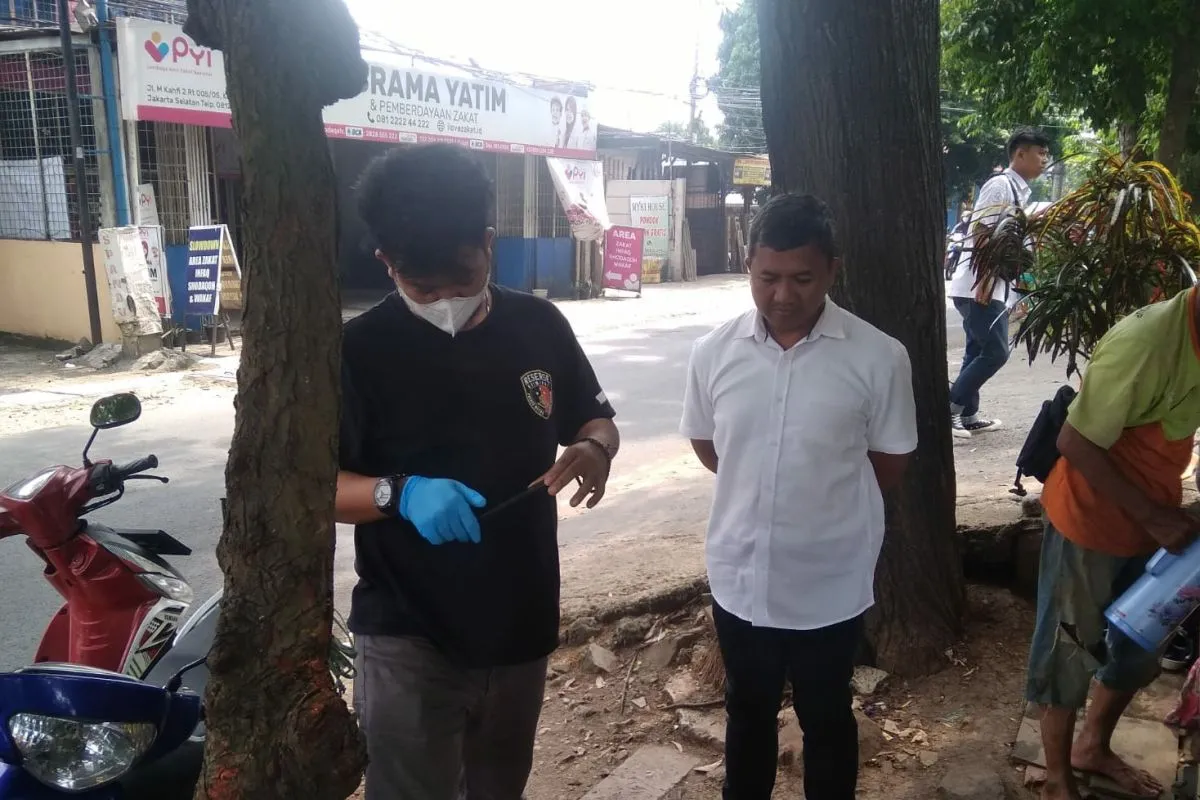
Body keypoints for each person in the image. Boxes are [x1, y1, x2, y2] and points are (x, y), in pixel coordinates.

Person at [337, 143, 620, 800]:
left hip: (520, 621)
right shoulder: (358, 351)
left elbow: (595, 419)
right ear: (386, 262)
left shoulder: (539, 325)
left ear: (488, 244)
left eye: (462, 281)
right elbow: (316, 488)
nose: (446, 300)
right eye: (423, 287)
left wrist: (595, 449)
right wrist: (399, 493)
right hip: (408, 631)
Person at [680, 193, 918, 800]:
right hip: (740, 575)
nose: (783, 295)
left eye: (802, 279)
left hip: (828, 580)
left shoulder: (879, 357)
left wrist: (812, 496)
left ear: (833, 270)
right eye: (768, 278)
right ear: (749, 267)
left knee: (827, 713)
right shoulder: (713, 353)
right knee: (746, 708)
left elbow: (888, 463)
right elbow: (711, 447)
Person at [1026, 285, 1200, 800]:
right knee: (1066, 654)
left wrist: (1161, 516)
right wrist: (1153, 515)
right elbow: (1073, 441)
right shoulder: (1147, 341)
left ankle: (1092, 747)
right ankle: (1057, 780)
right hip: (1088, 520)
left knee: (1142, 649)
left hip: (1153, 523)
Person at [947, 127, 1050, 438]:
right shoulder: (1000, 185)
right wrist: (984, 283)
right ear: (1020, 154)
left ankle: (968, 415)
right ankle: (948, 409)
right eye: (1040, 153)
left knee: (976, 349)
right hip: (981, 286)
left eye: (1046, 154)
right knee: (996, 352)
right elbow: (981, 230)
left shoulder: (1018, 191)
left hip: (991, 286)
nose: (1044, 160)